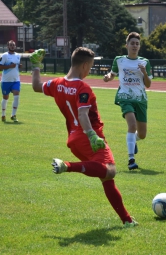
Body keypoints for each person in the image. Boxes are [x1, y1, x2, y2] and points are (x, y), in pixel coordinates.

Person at [30, 47, 138, 228]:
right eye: (90, 67)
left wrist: (35, 66)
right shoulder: (82, 87)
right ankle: (67, 166)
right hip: (88, 137)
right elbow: (82, 115)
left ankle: (127, 220)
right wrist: (92, 135)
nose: (89, 71)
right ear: (85, 65)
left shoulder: (56, 83)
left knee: (106, 177)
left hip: (73, 140)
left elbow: (36, 86)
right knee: (110, 170)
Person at [103, 32, 153, 170]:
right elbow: (112, 74)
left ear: (139, 46)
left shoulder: (145, 62)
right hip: (125, 97)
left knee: (142, 135)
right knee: (132, 125)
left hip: (140, 99)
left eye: (137, 43)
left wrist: (144, 72)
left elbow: (148, 84)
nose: (135, 46)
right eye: (132, 43)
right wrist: (107, 77)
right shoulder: (119, 60)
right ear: (127, 45)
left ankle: (133, 141)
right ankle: (131, 159)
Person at [0, 40, 22, 122]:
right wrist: (9, 66)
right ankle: (3, 114)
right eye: (11, 45)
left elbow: (17, 65)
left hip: (16, 80)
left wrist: (19, 66)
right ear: (8, 46)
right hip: (6, 81)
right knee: (5, 98)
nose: (12, 46)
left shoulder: (18, 55)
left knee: (16, 97)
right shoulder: (4, 55)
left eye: (13, 45)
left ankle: (13, 115)